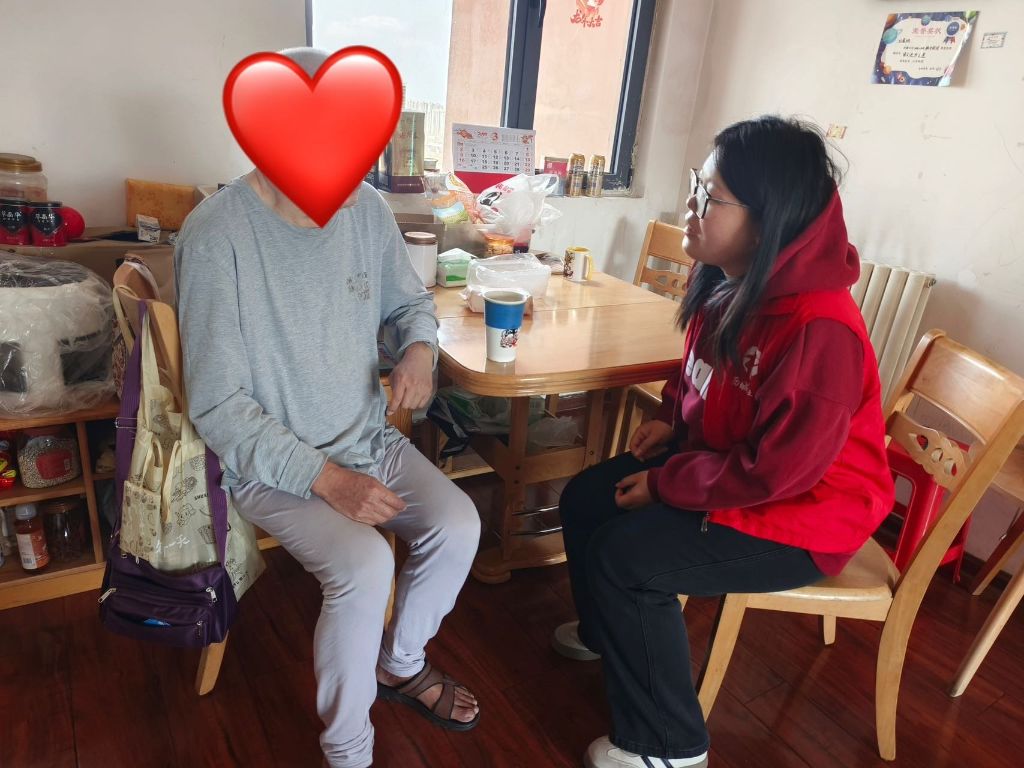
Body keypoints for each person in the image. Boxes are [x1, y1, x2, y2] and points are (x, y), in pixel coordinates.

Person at [551, 116, 895, 768]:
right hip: (728, 468)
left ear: (766, 223)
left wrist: (665, 484)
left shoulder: (820, 329)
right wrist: (673, 421)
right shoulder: (724, 280)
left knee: (629, 560)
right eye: (696, 185)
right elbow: (697, 374)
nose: (690, 205)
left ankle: (669, 747)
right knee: (587, 498)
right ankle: (609, 635)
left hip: (805, 515)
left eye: (710, 196)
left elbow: (778, 474)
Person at [175, 47, 481, 768]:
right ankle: (348, 748)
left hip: (368, 441)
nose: (353, 179)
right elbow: (217, 406)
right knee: (366, 566)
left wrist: (418, 349)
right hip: (274, 469)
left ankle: (399, 664)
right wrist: (328, 480)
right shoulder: (216, 236)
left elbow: (409, 302)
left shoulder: (365, 209)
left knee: (459, 524)